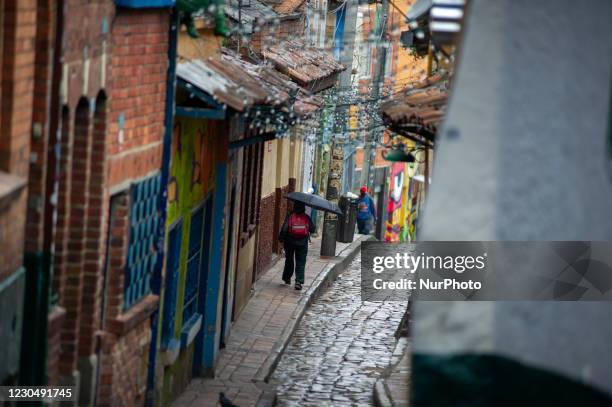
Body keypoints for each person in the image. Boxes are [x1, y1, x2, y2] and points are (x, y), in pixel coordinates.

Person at [278, 202, 315, 290]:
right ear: (303, 208)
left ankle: (287, 278)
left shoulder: (290, 216)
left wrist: (281, 238)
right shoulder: (306, 217)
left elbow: (284, 228)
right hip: (302, 243)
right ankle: (298, 281)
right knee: (301, 262)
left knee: (289, 260)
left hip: (289, 242)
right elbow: (312, 229)